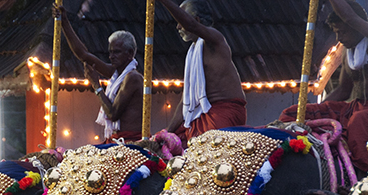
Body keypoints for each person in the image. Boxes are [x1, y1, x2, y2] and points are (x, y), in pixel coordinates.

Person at [279, 0, 368, 175]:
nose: (339, 38)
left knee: (360, 120)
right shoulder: (348, 51)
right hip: (354, 108)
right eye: (336, 32)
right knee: (294, 112)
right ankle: (291, 155)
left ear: (356, 27)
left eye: (342, 32)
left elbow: (350, 17)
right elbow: (343, 90)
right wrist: (318, 112)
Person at [157, 0, 246, 145]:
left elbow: (190, 25)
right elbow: (185, 103)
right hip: (200, 116)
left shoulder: (214, 39)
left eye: (180, 21)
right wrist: (167, 132)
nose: (178, 27)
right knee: (171, 145)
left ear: (196, 20)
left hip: (223, 112)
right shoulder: (192, 53)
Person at [55, 5, 143, 142]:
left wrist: (96, 85)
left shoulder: (133, 77)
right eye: (110, 52)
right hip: (114, 139)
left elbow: (113, 114)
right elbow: (83, 55)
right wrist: (64, 22)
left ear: (130, 54)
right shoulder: (115, 73)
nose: (111, 56)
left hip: (129, 142)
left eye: (117, 52)